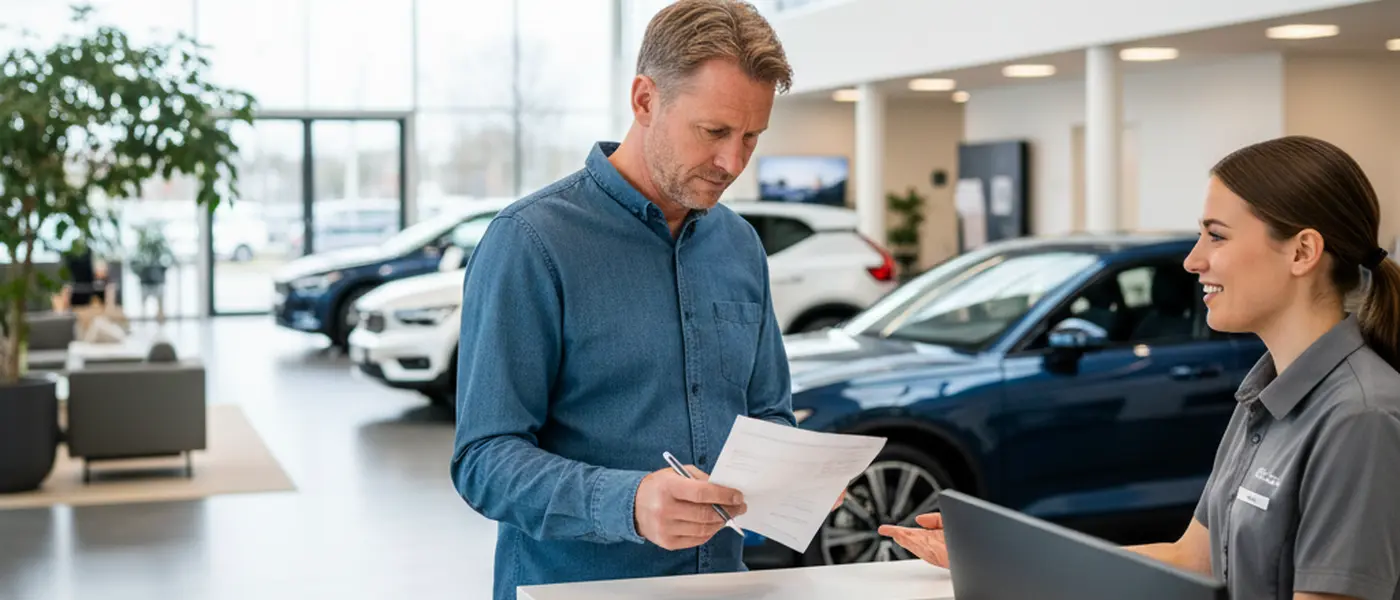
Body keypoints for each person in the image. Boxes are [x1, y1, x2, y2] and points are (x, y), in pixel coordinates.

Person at [880, 135, 1400, 600]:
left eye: (1216, 236)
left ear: (1303, 251)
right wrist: (1000, 560)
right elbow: (1193, 558)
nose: (1192, 260)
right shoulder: (1266, 394)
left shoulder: (1361, 416)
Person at [449, 2, 801, 598]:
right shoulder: (531, 242)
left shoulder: (739, 244)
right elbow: (484, 459)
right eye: (714, 132)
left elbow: (768, 415)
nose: (733, 163)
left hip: (722, 587)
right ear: (645, 100)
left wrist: (797, 474)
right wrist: (629, 503)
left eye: (751, 137)